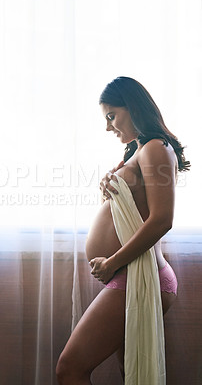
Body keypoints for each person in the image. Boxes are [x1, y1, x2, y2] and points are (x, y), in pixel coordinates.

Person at [56, 76, 190, 385]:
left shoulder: (156, 148)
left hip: (137, 276)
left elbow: (161, 220)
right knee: (131, 374)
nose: (108, 126)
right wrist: (109, 178)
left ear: (132, 107)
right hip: (129, 276)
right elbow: (128, 196)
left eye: (111, 116)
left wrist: (113, 261)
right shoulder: (137, 149)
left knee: (69, 369)